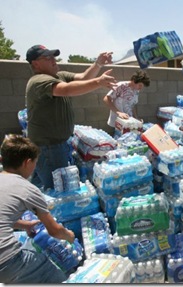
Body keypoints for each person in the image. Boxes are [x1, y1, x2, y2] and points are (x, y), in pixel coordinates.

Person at [25, 45, 117, 191]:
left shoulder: (58, 76)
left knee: (45, 187)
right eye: (47, 58)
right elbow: (67, 90)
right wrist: (98, 82)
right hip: (49, 147)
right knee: (57, 190)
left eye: (53, 57)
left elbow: (83, 78)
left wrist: (98, 63)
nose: (53, 60)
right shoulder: (38, 81)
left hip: (57, 144)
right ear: (35, 64)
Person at [0, 134, 75, 283]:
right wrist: (69, 236)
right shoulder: (28, 189)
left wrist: (25, 225)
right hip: (7, 261)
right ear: (27, 162)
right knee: (51, 272)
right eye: (35, 162)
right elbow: (55, 231)